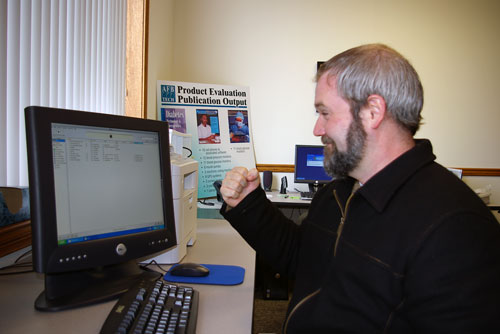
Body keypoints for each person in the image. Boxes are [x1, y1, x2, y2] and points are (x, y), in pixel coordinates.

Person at [220, 44, 500, 333]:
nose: (317, 129)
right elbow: (303, 258)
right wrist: (247, 203)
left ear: (373, 111)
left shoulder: (457, 229)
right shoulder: (340, 190)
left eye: (325, 113)